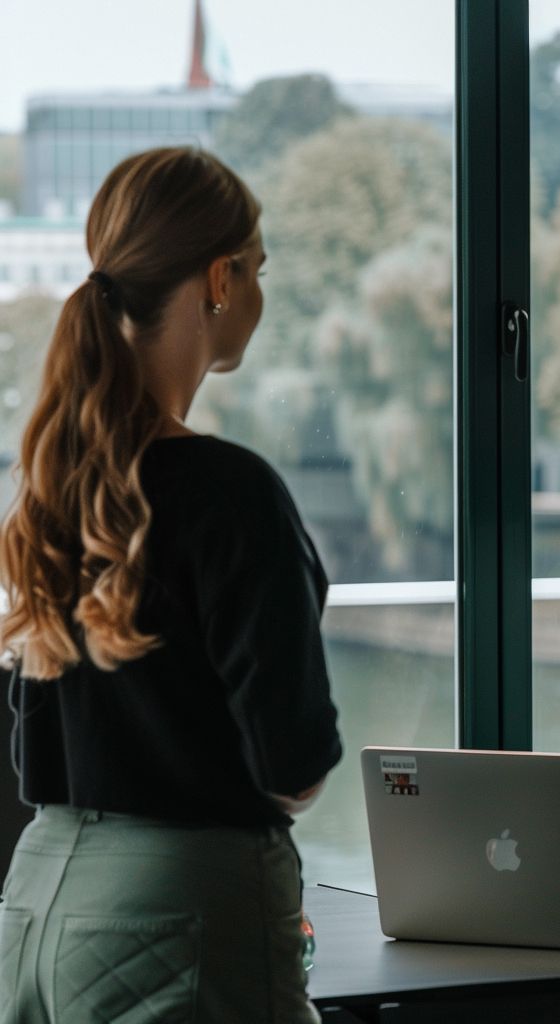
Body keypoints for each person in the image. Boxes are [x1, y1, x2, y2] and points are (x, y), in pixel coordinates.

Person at [0, 147, 342, 1023]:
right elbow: (292, 764)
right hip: (181, 911)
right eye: (257, 269)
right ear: (220, 279)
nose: (258, 293)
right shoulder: (231, 490)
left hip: (38, 901)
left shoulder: (54, 486)